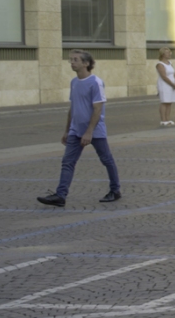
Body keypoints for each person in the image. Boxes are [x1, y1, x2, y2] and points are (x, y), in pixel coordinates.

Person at [37, 50, 122, 207]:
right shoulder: (74, 82)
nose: (72, 62)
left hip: (94, 131)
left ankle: (115, 190)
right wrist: (67, 130)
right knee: (67, 162)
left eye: (75, 60)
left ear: (86, 63)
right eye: (71, 60)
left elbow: (97, 109)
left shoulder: (96, 82)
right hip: (76, 130)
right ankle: (60, 195)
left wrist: (89, 132)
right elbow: (73, 107)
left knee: (106, 160)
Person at [154, 46, 175, 125]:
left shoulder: (170, 63)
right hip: (164, 85)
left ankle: (168, 119)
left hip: (172, 85)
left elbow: (174, 73)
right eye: (167, 53)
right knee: (164, 101)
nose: (169, 54)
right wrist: (172, 84)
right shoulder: (160, 64)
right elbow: (164, 76)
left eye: (169, 52)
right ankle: (163, 120)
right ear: (163, 54)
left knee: (169, 102)